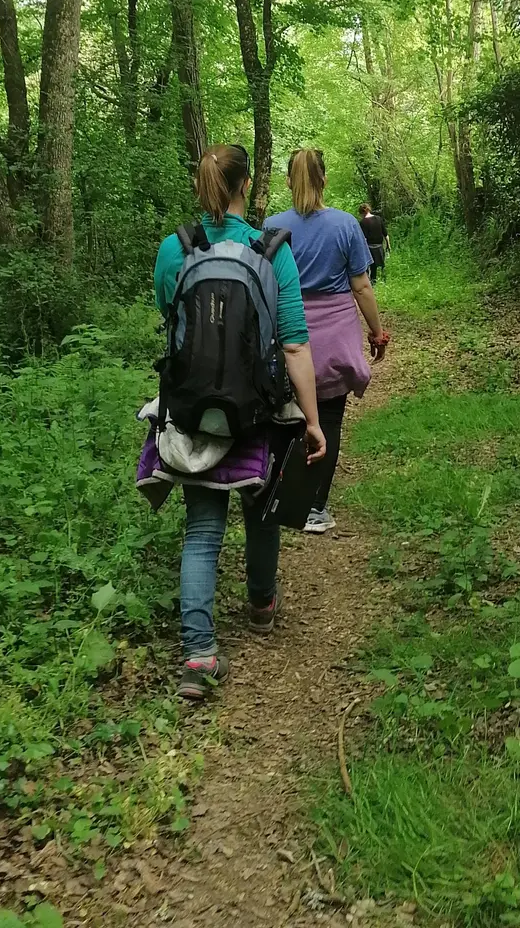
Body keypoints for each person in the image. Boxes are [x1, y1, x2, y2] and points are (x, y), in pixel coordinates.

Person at [144, 144, 327, 700]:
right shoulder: (271, 250)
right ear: (247, 184)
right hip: (257, 411)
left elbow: (171, 319)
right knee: (260, 511)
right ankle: (262, 604)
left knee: (202, 529)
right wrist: (312, 420)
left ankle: (199, 656)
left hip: (193, 411)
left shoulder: (175, 248)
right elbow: (294, 344)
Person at [266, 150, 389, 534]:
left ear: (288, 181)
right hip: (334, 334)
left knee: (289, 416)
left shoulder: (271, 226)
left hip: (288, 331)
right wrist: (377, 332)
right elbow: (361, 286)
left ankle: (280, 496)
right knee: (329, 418)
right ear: (324, 180)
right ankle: (315, 507)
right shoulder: (345, 224)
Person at [357, 202, 390, 283]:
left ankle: (370, 282)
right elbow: (385, 234)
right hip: (379, 247)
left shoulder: (363, 222)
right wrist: (388, 245)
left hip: (369, 247)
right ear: (369, 210)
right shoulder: (378, 219)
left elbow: (363, 238)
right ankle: (383, 280)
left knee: (369, 266)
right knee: (381, 265)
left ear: (361, 213)